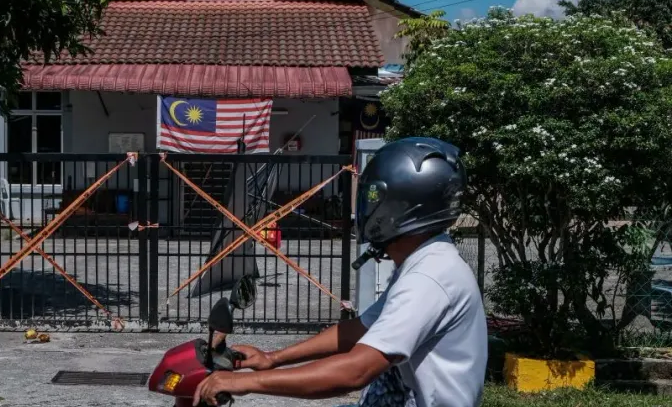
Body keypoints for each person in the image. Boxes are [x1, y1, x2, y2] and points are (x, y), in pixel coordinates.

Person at [194, 137, 488, 407]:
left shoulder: (428, 279)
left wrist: (248, 382)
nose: (366, 207)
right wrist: (273, 359)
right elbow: (360, 329)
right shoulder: (425, 260)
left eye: (375, 197)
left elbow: (355, 371)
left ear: (402, 207)